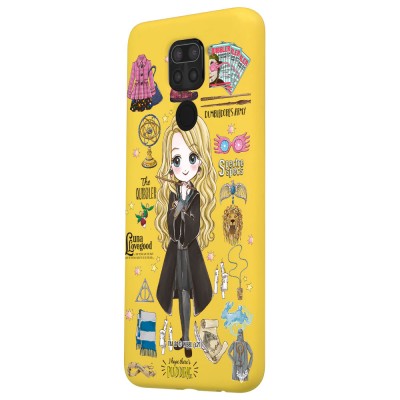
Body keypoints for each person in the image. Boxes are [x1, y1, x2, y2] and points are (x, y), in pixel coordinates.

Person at [154, 116, 217, 358]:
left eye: (192, 158)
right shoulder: (172, 196)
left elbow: (194, 226)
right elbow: (171, 229)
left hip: (189, 252)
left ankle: (187, 338)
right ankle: (185, 337)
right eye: (176, 160)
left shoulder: (196, 196)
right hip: (176, 252)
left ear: (200, 162)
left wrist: (183, 208)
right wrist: (177, 208)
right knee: (180, 293)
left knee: (188, 293)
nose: (184, 167)